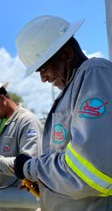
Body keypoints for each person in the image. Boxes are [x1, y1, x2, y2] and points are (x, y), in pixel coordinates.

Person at [13, 15, 112, 211]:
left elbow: (93, 171)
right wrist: (48, 185)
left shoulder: (95, 73)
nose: (42, 79)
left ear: (67, 53)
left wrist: (30, 168)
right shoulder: (74, 87)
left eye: (43, 68)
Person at [0, 80, 43, 211]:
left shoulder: (27, 121)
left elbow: (29, 164)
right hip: (2, 199)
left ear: (2, 98)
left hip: (19, 201)